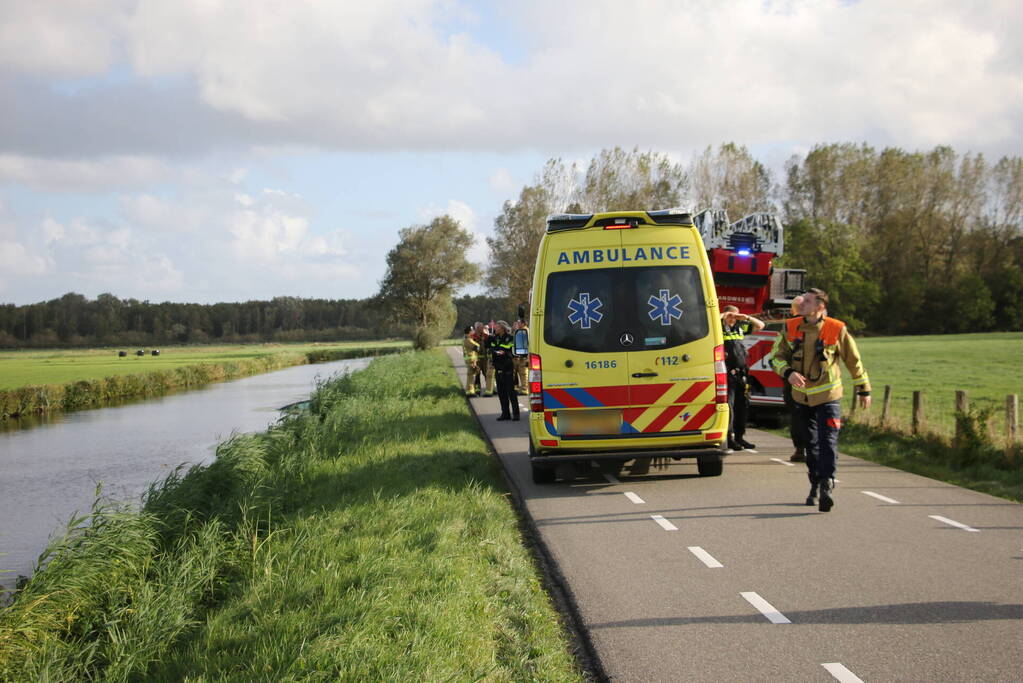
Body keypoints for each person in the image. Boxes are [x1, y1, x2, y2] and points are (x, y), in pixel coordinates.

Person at [770, 288, 871, 512]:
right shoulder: (790, 327)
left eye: (807, 301)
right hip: (801, 398)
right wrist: (788, 373)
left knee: (828, 443)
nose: (802, 304)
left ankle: (827, 485)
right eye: (803, 300)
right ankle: (814, 484)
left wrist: (863, 390)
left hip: (829, 397)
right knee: (811, 445)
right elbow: (774, 357)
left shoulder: (836, 328)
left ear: (820, 306)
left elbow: (854, 361)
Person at [720, 305, 764, 451]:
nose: (734, 318)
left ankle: (739, 437)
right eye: (731, 315)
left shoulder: (740, 327)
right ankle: (728, 437)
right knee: (730, 406)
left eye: (735, 315)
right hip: (727, 373)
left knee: (742, 406)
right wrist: (724, 315)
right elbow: (711, 321)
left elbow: (761, 325)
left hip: (742, 373)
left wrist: (746, 317)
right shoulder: (719, 327)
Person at [784, 295, 808, 462]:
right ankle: (806, 449)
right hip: (812, 382)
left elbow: (776, 356)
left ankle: (801, 449)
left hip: (795, 381)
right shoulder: (823, 324)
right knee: (804, 416)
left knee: (798, 416)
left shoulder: (789, 327)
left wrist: (787, 373)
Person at [489, 320, 520, 421]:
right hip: (498, 367)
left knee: (511, 392)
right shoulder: (495, 338)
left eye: (497, 327)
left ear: (502, 328)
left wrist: (505, 353)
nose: (495, 328)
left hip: (508, 368)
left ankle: (516, 414)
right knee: (501, 393)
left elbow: (513, 351)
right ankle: (505, 413)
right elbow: (492, 349)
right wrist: (494, 354)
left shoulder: (510, 338)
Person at [471, 321, 491, 396]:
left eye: (482, 327)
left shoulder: (486, 336)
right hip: (477, 360)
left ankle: (489, 389)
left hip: (485, 359)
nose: (482, 328)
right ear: (476, 328)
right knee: (477, 375)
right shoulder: (473, 337)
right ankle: (477, 390)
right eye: (480, 327)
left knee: (487, 374)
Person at [461, 325, 480, 397]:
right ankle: (470, 392)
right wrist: (477, 344)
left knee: (470, 376)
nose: (473, 331)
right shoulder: (468, 340)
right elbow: (477, 348)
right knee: (471, 377)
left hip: (469, 360)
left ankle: (468, 391)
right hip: (471, 360)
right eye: (472, 330)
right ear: (469, 332)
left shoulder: (466, 339)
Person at [512, 319, 529, 395]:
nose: (517, 324)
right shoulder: (521, 331)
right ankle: (522, 388)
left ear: (523, 323)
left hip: (523, 356)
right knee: (521, 372)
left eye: (519, 323)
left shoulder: (524, 331)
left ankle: (525, 389)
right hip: (520, 355)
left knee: (523, 373)